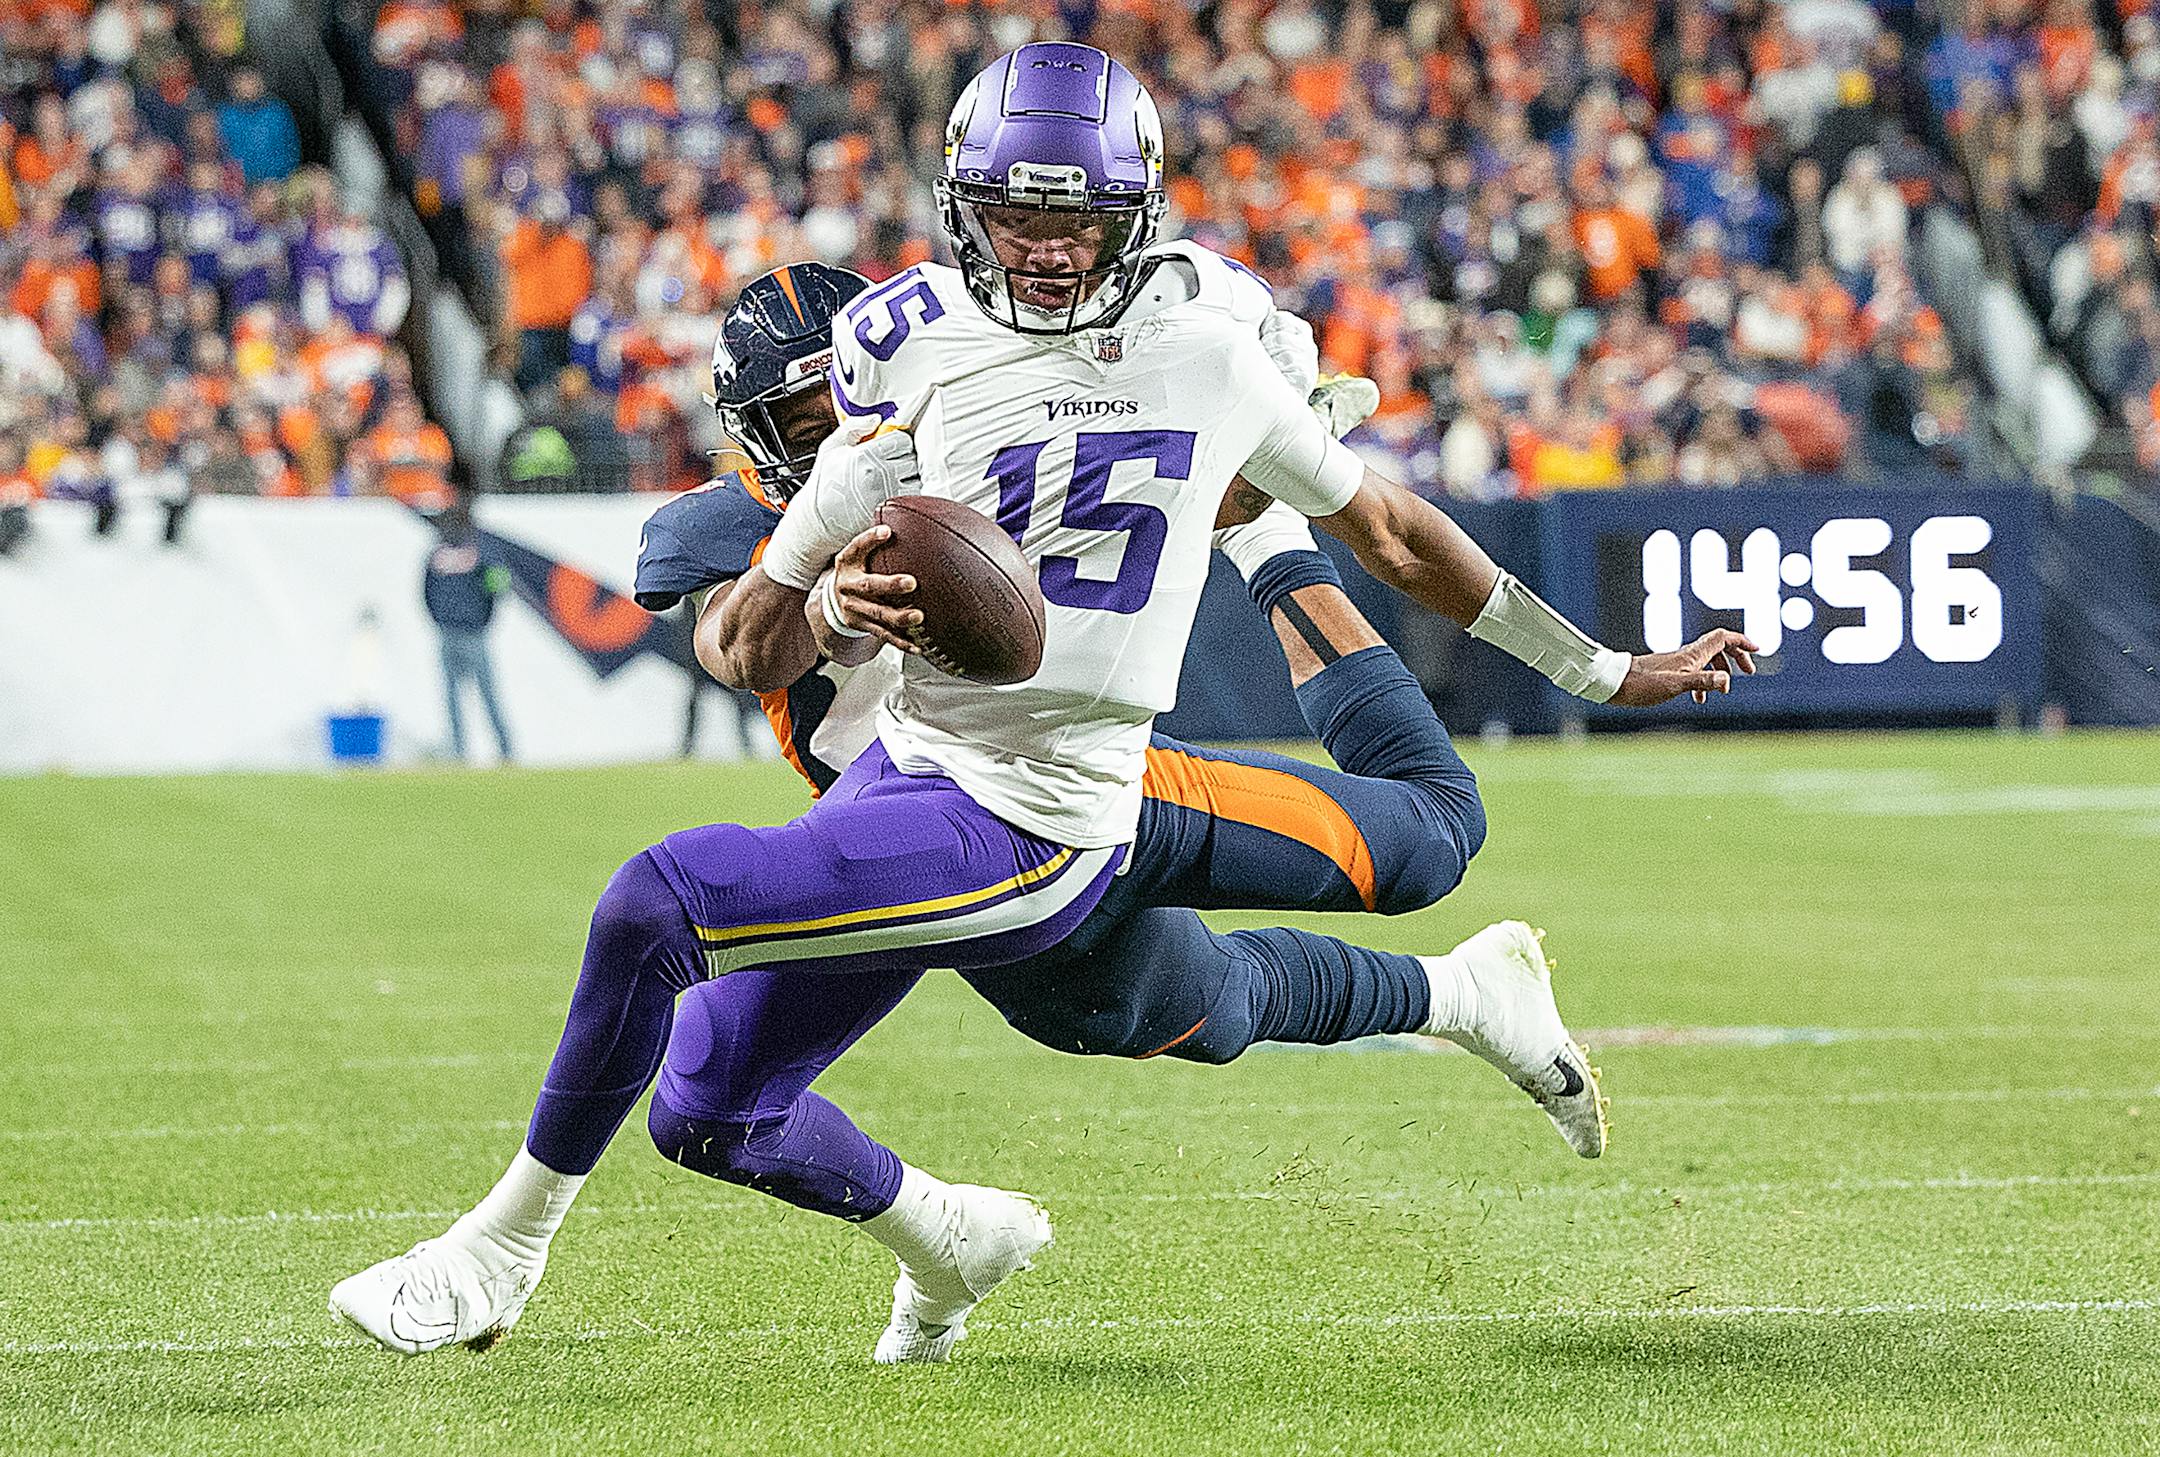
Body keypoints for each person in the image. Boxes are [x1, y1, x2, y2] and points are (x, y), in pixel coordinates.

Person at [332, 47, 1753, 1364]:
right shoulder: (901, 370)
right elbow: (748, 630)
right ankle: (954, 1239)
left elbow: (1388, 524)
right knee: (710, 1102)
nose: (1048, 247)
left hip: (1052, 813)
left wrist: (1592, 664)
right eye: (1013, 212)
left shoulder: (1201, 338)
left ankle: (497, 1255)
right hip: (904, 807)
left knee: (1414, 853)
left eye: (1078, 217)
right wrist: (823, 588)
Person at [422, 502, 514, 764]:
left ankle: (492, 749)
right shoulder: (479, 552)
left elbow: (497, 587)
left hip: (466, 633)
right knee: (469, 695)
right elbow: (498, 587)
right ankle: (469, 750)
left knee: (477, 695)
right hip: (459, 632)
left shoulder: (442, 555)